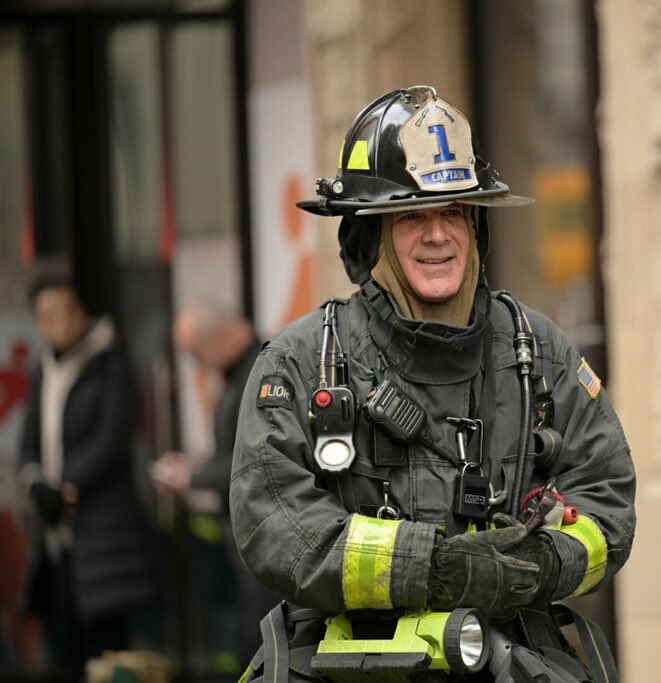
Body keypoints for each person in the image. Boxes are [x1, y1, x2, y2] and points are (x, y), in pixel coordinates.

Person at [231, 86, 636, 681]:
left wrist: (538, 565)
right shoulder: (302, 361)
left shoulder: (537, 350)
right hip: (352, 665)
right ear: (369, 235)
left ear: (475, 225)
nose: (438, 235)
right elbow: (274, 525)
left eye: (453, 213)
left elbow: (607, 501)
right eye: (411, 217)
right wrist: (433, 567)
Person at [16, 274, 154, 680]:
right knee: (64, 650)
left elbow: (111, 441)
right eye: (49, 315)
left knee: (110, 654)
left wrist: (66, 486)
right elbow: (28, 443)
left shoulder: (110, 363)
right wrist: (35, 484)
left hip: (103, 532)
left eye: (68, 310)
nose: (60, 321)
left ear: (82, 311)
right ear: (38, 322)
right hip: (55, 536)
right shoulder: (42, 370)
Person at [150, 302, 277, 675]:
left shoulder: (259, 373)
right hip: (251, 538)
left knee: (258, 651)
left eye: (195, 354)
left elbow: (255, 459)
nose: (197, 366)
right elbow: (236, 452)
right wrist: (196, 467)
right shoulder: (243, 374)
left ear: (216, 338)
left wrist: (192, 478)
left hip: (266, 540)